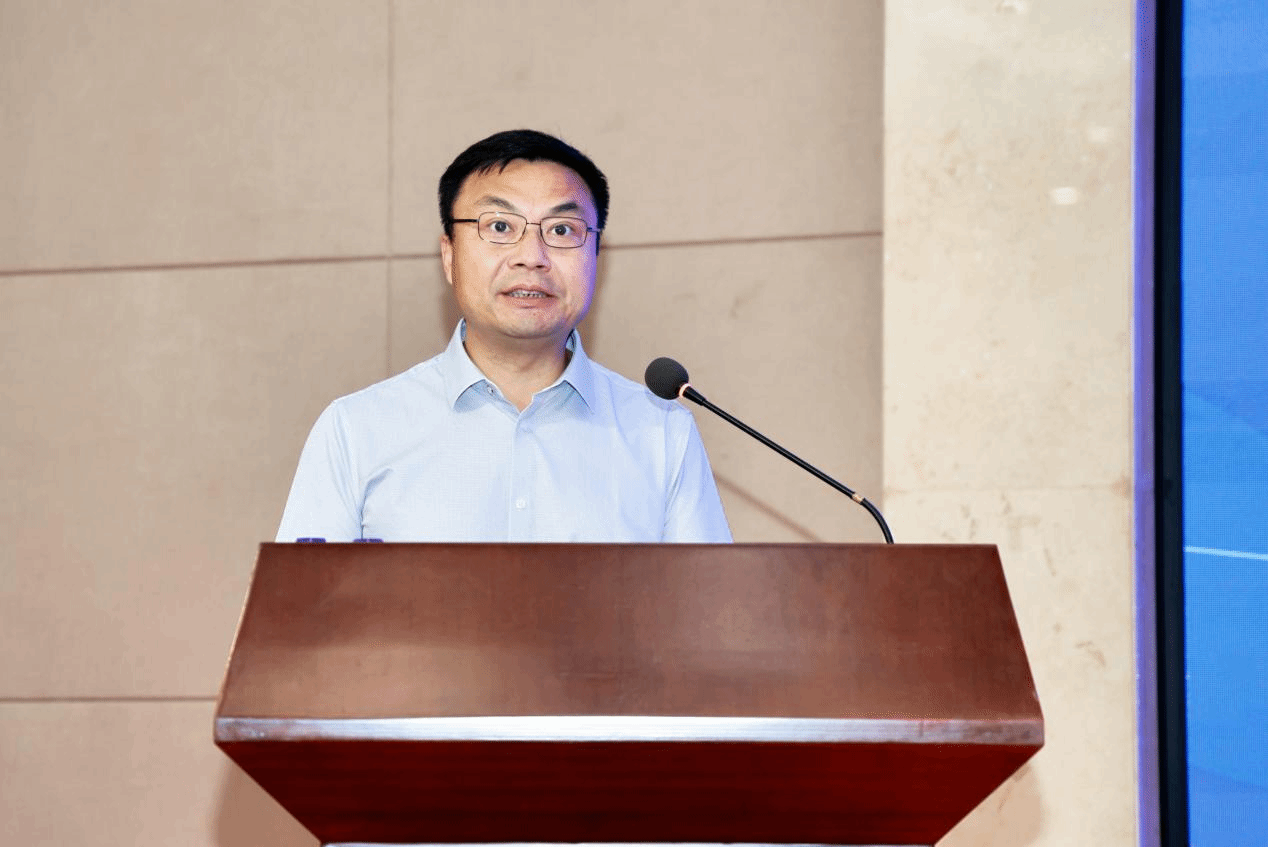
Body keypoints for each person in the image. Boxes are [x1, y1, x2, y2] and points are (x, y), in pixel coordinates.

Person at [276, 129, 731, 543]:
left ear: (596, 256)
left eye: (561, 230)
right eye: (499, 227)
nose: (531, 256)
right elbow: (305, 607)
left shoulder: (660, 434)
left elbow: (708, 607)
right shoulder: (356, 430)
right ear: (449, 255)